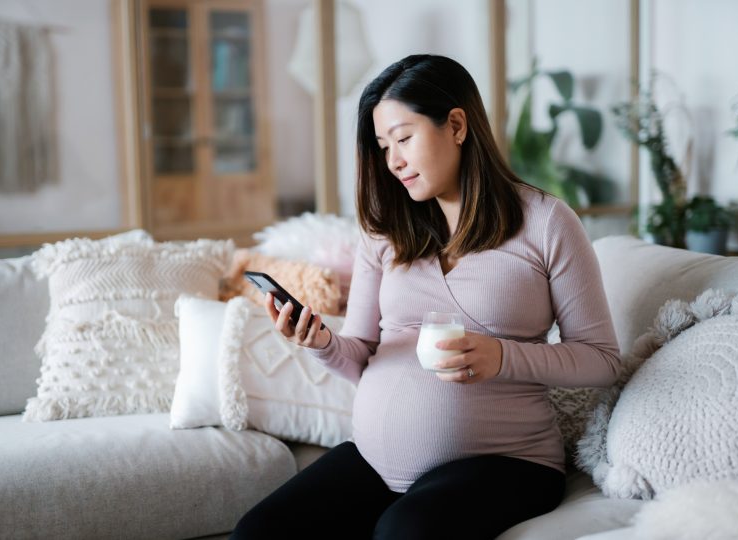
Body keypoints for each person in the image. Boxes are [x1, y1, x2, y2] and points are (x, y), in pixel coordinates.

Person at [231, 54, 621, 540]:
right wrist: (320, 343)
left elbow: (602, 359)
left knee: (405, 533)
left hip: (508, 462)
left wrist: (502, 357)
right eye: (382, 146)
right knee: (258, 532)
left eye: (403, 138)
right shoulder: (384, 232)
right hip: (376, 460)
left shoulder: (546, 222)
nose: (392, 160)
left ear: (456, 125)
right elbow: (360, 355)